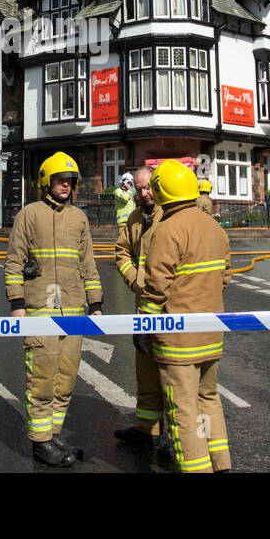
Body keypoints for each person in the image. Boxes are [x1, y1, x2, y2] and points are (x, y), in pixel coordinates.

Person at [5, 152, 102, 467]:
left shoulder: (79, 218)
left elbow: (88, 264)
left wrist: (95, 303)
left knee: (66, 378)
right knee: (42, 378)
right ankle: (40, 441)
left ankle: (53, 433)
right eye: (60, 180)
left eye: (70, 180)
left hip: (73, 310)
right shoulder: (29, 215)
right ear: (46, 182)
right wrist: (17, 303)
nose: (66, 185)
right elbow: (15, 261)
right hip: (40, 309)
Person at [140, 160, 232, 472]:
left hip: (178, 341)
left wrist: (143, 325)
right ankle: (220, 463)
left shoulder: (167, 230)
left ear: (160, 192)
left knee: (183, 409)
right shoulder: (214, 227)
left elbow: (156, 288)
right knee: (209, 399)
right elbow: (224, 277)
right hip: (212, 334)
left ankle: (196, 468)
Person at [111, 166, 166, 456]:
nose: (144, 194)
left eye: (148, 188)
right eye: (139, 188)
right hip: (142, 306)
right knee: (145, 372)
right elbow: (121, 252)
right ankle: (147, 430)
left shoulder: (168, 216)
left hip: (168, 309)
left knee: (171, 375)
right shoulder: (134, 218)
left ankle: (176, 437)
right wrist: (133, 280)